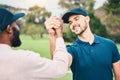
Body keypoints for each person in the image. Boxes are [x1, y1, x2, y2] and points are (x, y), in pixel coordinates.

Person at [47, 8, 120, 80]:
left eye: (76, 19)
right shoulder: (71, 50)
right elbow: (58, 65)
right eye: (70, 22)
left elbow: (118, 76)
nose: (73, 24)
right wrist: (52, 35)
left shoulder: (110, 45)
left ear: (87, 19)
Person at [0, 8, 70, 80]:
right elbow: (60, 68)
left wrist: (52, 35)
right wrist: (58, 34)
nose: (18, 28)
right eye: (16, 24)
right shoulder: (24, 59)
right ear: (9, 29)